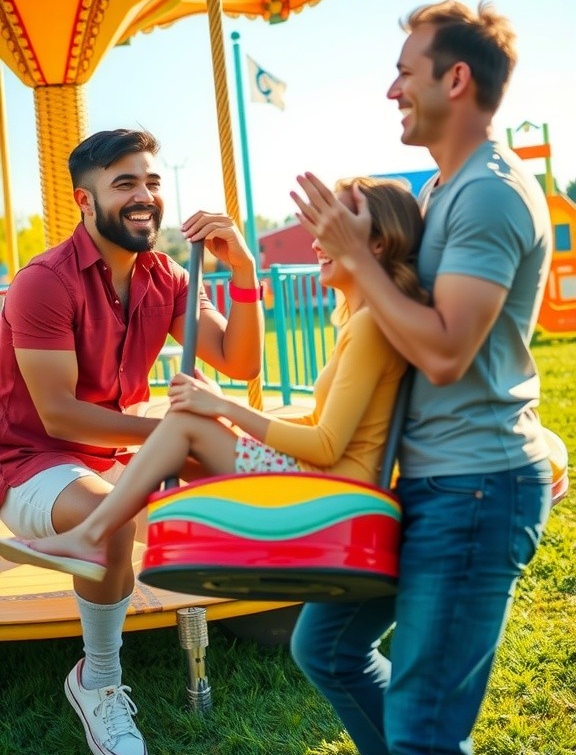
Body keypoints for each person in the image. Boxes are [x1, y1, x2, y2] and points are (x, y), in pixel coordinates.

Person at [288, 0, 554, 755]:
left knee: (429, 737)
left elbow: (444, 353)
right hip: (430, 485)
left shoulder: (491, 195)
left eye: (406, 72)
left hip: (476, 489)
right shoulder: (442, 192)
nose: (391, 89)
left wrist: (354, 259)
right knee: (325, 649)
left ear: (457, 78)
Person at [0, 175, 426, 577]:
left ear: (377, 243)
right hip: (328, 479)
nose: (317, 243)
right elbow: (325, 430)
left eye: (335, 230)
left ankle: (92, 536)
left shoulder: (369, 327)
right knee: (187, 428)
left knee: (185, 421)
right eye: (126, 183)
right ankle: (102, 535)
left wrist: (222, 409)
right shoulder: (360, 322)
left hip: (330, 495)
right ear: (85, 200)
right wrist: (223, 417)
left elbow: (326, 444)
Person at [0, 128, 264, 755]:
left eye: (151, 182)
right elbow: (59, 413)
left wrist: (246, 272)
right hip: (35, 461)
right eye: (125, 184)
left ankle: (299, 579)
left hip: (117, 448)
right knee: (110, 518)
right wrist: (170, 434)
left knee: (232, 455)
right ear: (83, 202)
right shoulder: (43, 283)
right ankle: (99, 680)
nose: (145, 196)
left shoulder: (168, 276)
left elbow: (241, 359)